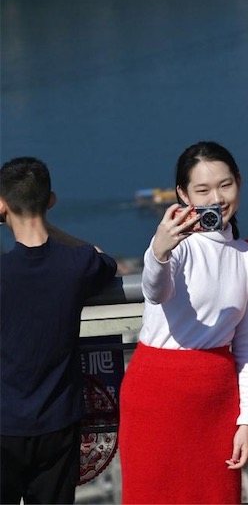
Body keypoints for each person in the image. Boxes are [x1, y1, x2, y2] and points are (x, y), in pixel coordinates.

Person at [118, 141, 248, 505]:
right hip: (157, 396)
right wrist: (159, 250)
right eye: (202, 190)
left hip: (216, 400)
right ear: (183, 194)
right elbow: (155, 290)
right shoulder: (177, 247)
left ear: (239, 183)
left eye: (225, 185)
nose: (216, 198)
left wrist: (247, 420)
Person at [0, 156, 118, 505]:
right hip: (58, 422)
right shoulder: (76, 265)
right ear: (50, 201)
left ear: (3, 205)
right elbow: (102, 258)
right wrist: (47, 227)